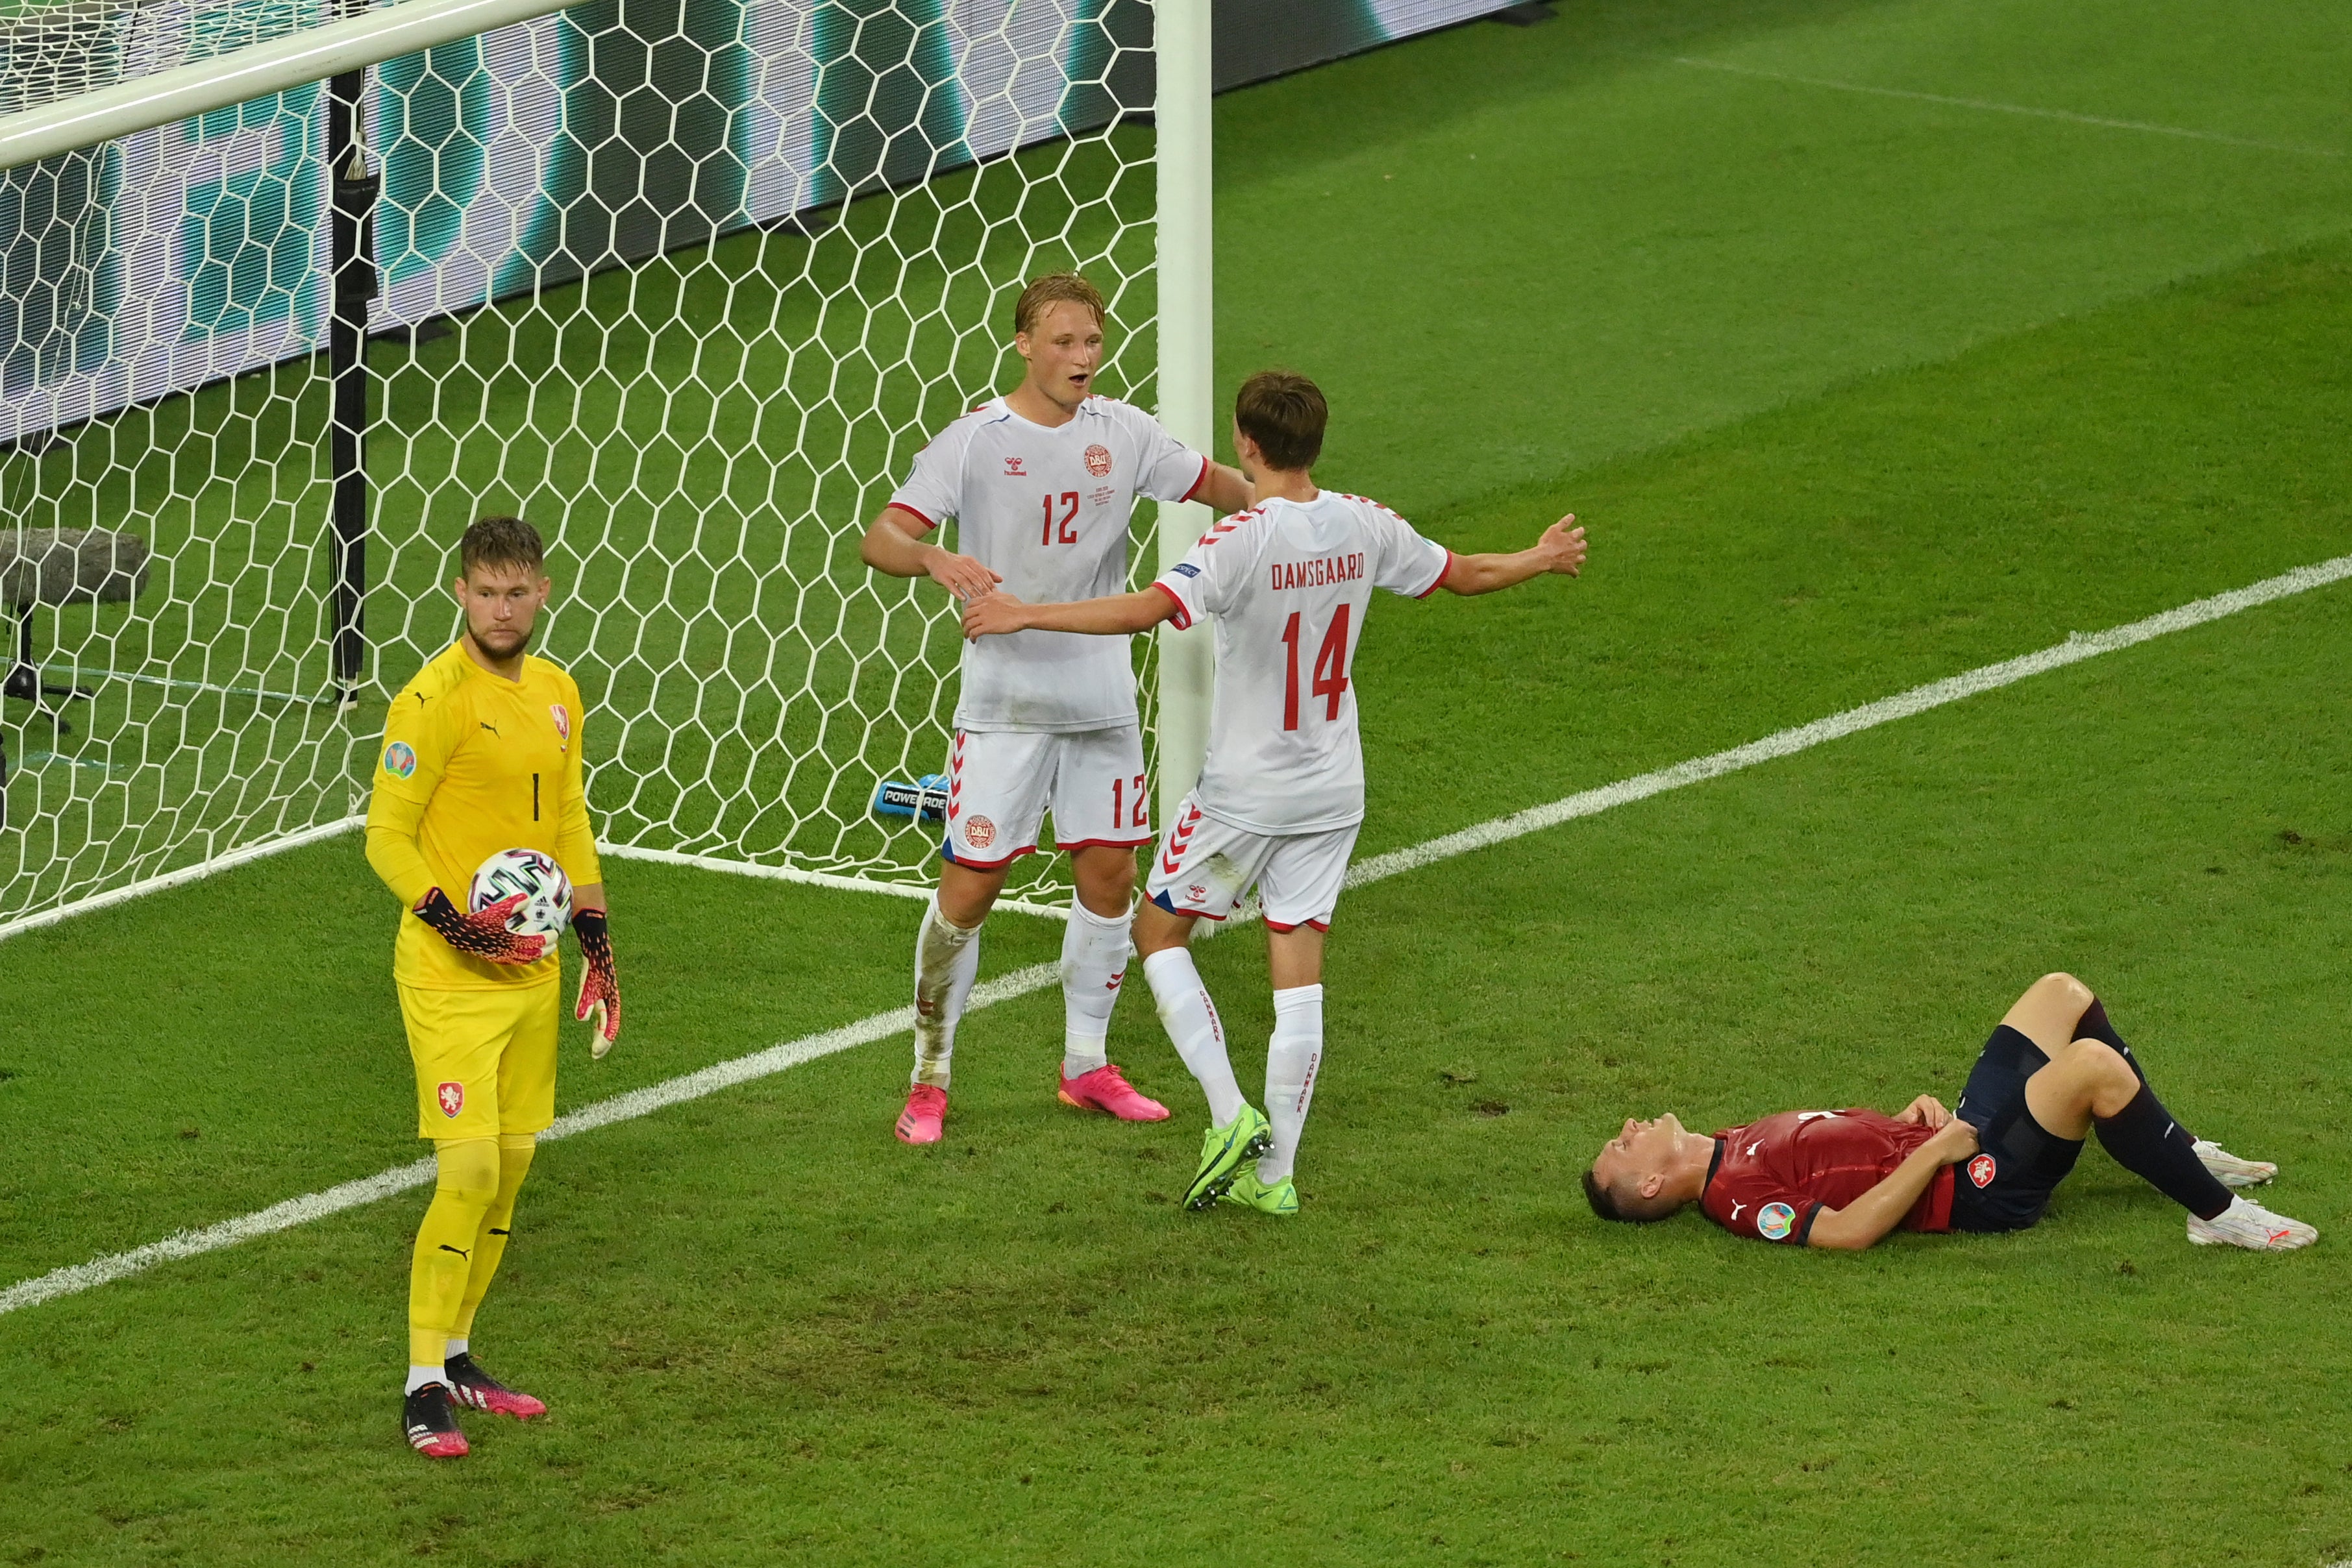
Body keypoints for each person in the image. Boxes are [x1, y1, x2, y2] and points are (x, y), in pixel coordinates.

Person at [962, 369, 1587, 1214]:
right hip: (1333, 789)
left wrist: (1024, 615)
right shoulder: (1365, 525)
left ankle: (1227, 1115)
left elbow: (1145, 610)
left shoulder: (1238, 541)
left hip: (1244, 795)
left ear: (1247, 445)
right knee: (1297, 976)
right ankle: (1274, 1179)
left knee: (1156, 932)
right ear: (1314, 443)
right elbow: (1465, 574)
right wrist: (1542, 557)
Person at [859, 271, 1254, 1145]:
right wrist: (932, 561)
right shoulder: (974, 441)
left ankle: (1085, 1066)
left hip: (1100, 701)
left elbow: (1219, 485)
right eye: (1065, 342)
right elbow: (881, 536)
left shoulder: (1126, 433)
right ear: (1024, 346)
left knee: (1109, 879)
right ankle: (928, 1076)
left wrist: (1294, 505)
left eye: (1093, 342)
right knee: (970, 890)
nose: (1082, 358)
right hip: (1003, 705)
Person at [365, 515, 623, 1459]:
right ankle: (420, 1382)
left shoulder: (558, 692)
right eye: (485, 592)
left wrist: (595, 938)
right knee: (467, 1169)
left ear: (542, 591)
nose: (502, 609)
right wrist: (452, 921)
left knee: (511, 1169)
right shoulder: (431, 699)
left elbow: (567, 818)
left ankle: (462, 1353)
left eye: (517, 593)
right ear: (460, 593)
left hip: (532, 975)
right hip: (447, 978)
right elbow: (383, 838)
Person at [1583, 971, 2314, 1251]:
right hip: (1971, 1185)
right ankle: (2214, 1215)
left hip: (1945, 1141)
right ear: (1650, 1187)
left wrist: (1904, 1123)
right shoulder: (1734, 1196)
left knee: (2061, 993)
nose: (1626, 1128)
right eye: (1621, 1148)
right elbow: (1841, 1233)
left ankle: (2177, 1151)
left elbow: (1832, 1155)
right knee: (2093, 1069)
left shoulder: (1724, 1143)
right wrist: (1932, 1155)